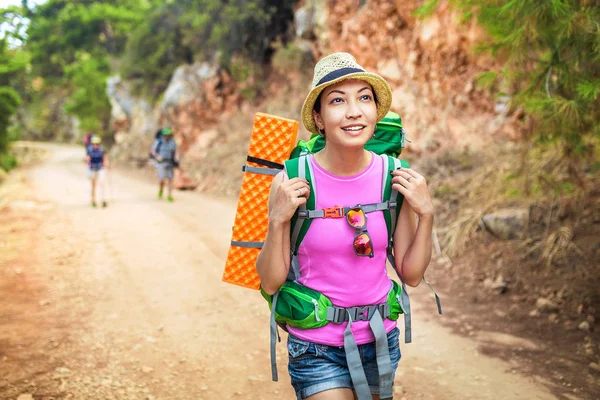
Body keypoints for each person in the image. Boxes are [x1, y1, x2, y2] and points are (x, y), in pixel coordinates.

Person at [256, 52, 435, 400]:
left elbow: (411, 274)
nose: (354, 111)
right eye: (338, 101)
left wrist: (425, 213)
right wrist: (277, 220)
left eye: (364, 98)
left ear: (375, 112)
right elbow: (270, 279)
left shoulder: (392, 176)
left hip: (380, 341)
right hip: (315, 347)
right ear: (319, 119)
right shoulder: (292, 180)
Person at [150, 127, 178, 202]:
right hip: (161, 163)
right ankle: (161, 189)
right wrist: (157, 157)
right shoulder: (159, 142)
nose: (167, 136)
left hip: (169, 162)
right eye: (166, 135)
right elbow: (153, 151)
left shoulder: (172, 142)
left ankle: (169, 195)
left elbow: (174, 151)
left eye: (169, 135)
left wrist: (175, 159)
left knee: (170, 179)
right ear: (163, 135)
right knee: (162, 179)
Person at [85, 135, 109, 208]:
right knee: (93, 185)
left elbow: (105, 158)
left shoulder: (102, 150)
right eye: (94, 144)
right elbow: (87, 159)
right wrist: (87, 160)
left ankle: (103, 199)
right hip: (92, 169)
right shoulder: (89, 150)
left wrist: (107, 164)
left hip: (100, 168)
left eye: (97, 144)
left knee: (102, 184)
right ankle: (93, 200)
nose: (95, 145)